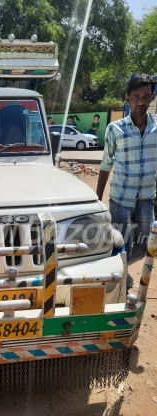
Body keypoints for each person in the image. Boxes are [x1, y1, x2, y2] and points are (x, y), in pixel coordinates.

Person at [96, 75, 157, 289]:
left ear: (152, 98)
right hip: (121, 198)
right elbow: (106, 164)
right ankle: (122, 280)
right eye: (136, 97)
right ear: (127, 99)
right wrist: (97, 198)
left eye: (146, 97)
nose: (141, 102)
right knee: (122, 245)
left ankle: (121, 268)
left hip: (147, 199)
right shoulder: (115, 129)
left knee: (143, 246)